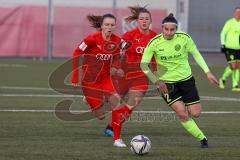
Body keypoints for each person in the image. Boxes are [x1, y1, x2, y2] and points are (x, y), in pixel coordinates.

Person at [141, 13, 219, 148]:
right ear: (162, 28)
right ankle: (203, 139)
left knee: (196, 113)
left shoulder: (184, 38)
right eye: (166, 29)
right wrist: (157, 81)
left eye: (172, 30)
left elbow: (196, 54)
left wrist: (208, 72)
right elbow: (143, 64)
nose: (169, 33)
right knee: (182, 114)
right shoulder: (154, 42)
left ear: (176, 29)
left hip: (186, 80)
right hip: (166, 84)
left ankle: (187, 115)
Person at [110, 6, 157, 147]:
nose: (144, 21)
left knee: (130, 106)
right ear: (137, 21)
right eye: (141, 19)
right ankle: (100, 103)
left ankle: (116, 138)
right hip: (123, 75)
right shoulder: (129, 35)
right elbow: (119, 52)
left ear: (150, 21)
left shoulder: (155, 37)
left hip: (140, 77)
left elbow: (155, 59)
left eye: (146, 19)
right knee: (114, 104)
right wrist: (120, 60)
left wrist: (157, 76)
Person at [71, 14, 122, 129]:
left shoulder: (117, 41)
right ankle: (91, 100)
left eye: (112, 25)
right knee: (101, 116)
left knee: (116, 101)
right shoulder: (92, 39)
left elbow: (118, 57)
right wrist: (75, 77)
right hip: (90, 81)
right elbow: (76, 53)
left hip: (106, 78)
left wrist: (115, 66)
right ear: (102, 26)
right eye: (107, 24)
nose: (109, 27)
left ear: (115, 27)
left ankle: (114, 131)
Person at [219, 7, 240, 91]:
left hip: (239, 48)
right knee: (233, 66)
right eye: (237, 12)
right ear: (234, 14)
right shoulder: (229, 23)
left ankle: (235, 85)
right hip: (230, 48)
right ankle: (223, 79)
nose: (238, 14)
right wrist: (223, 44)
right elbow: (222, 33)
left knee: (238, 66)